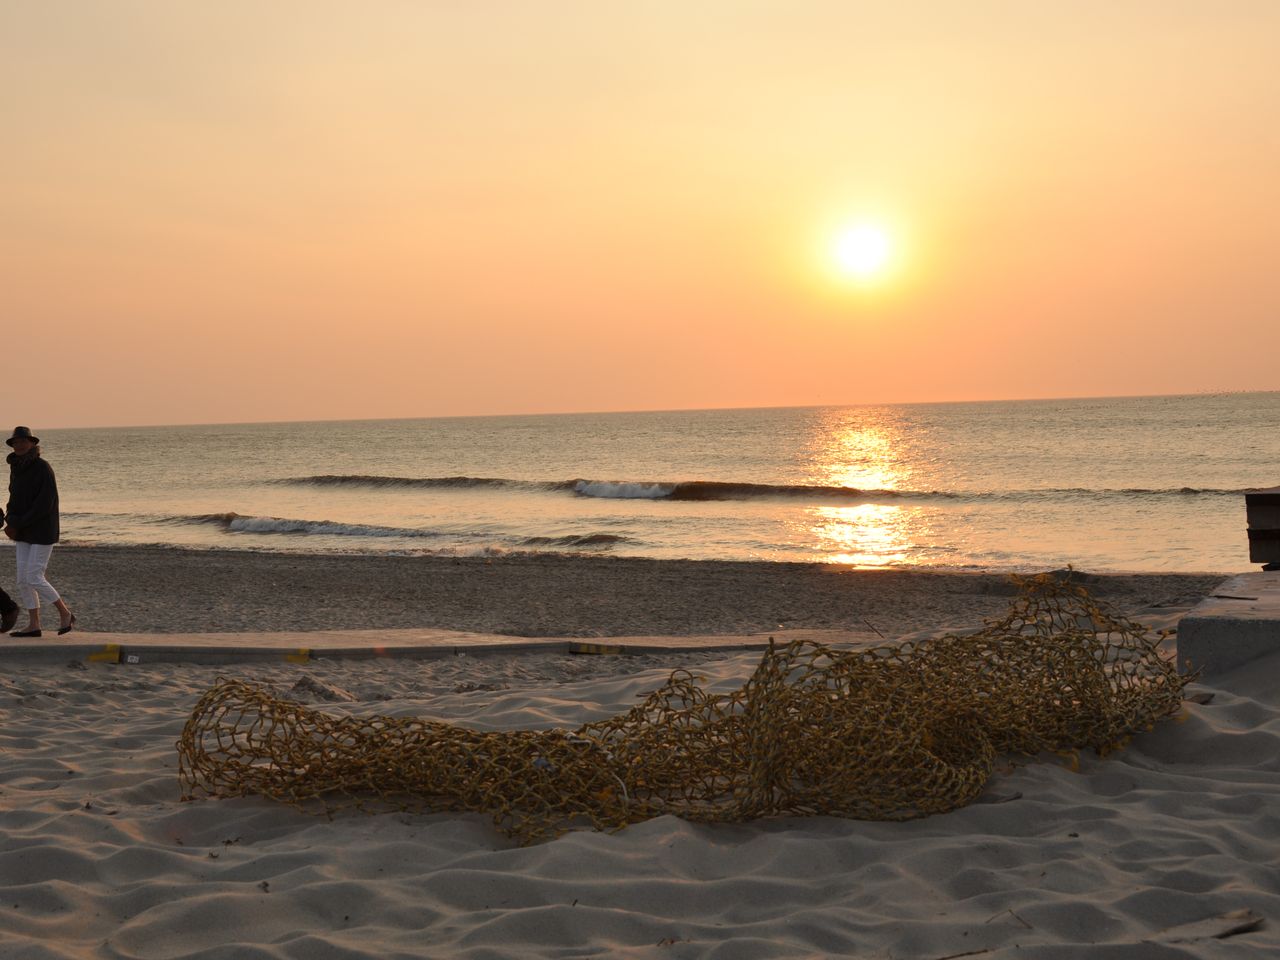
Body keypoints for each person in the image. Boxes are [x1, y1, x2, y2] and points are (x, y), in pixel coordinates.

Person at [5, 426, 75, 637]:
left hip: (42, 529)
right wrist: (10, 518)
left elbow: (45, 503)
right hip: (24, 530)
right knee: (22, 579)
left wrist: (20, 521)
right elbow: (15, 498)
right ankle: (34, 624)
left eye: (23, 441)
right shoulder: (16, 467)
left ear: (32, 443)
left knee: (34, 576)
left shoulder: (42, 468)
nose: (19, 445)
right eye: (16, 442)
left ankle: (65, 613)